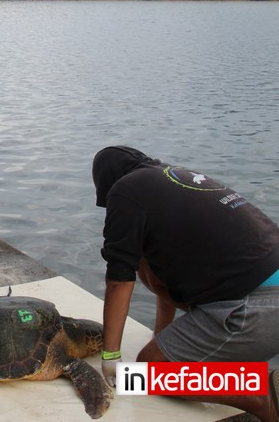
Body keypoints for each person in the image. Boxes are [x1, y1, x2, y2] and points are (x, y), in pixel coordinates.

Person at [92, 145, 279, 420]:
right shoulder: (170, 180)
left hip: (258, 306)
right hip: (261, 291)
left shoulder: (123, 191)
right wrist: (162, 337)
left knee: (147, 372)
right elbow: (160, 274)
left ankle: (256, 392)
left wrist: (110, 358)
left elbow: (119, 280)